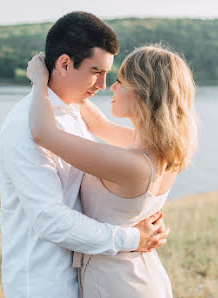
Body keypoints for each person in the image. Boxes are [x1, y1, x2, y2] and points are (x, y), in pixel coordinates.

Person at [0, 11, 169, 298]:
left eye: (107, 74)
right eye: (96, 72)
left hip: (87, 278)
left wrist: (142, 216)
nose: (103, 86)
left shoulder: (75, 114)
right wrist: (132, 237)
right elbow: (51, 220)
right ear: (64, 63)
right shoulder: (23, 127)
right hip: (45, 284)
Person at [26, 44, 197, 297]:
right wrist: (68, 83)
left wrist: (39, 81)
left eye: (121, 81)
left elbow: (43, 133)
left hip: (116, 283)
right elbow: (99, 125)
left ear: (144, 92)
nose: (111, 87)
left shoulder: (133, 165)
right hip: (140, 274)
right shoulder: (163, 151)